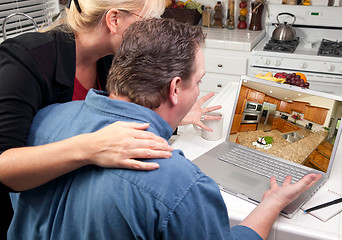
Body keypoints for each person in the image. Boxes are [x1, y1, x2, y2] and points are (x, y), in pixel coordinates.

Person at [8, 18, 321, 240]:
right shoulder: (180, 184)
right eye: (198, 82)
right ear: (174, 89)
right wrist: (272, 202)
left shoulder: (44, 121)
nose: (198, 90)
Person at [0, 0, 220, 237]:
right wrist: (92, 146)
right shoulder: (25, 61)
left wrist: (176, 115)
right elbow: (4, 166)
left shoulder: (109, 58)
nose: (153, 31)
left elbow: (120, 110)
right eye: (147, 21)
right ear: (114, 19)